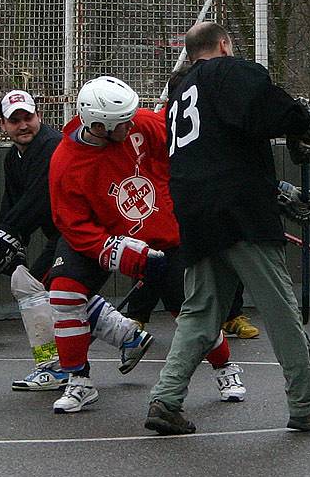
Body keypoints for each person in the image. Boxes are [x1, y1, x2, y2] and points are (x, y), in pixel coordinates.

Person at [144, 21, 310, 435]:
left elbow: (217, 144)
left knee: (198, 313)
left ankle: (166, 398)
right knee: (281, 309)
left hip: (194, 211)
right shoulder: (229, 71)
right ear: (224, 45)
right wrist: (300, 125)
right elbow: (270, 107)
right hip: (241, 212)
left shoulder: (178, 94)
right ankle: (305, 404)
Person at [48, 75, 244, 414]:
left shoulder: (137, 124)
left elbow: (182, 140)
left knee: (191, 311)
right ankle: (78, 381)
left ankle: (226, 368)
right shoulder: (65, 162)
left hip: (162, 233)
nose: (129, 127)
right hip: (99, 236)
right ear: (97, 125)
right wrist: (121, 254)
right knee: (64, 294)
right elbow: (73, 225)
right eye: (120, 124)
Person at [0, 90, 148, 392]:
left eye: (27, 117)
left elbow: (39, 200)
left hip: (84, 233)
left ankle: (55, 367)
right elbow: (13, 203)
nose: (23, 125)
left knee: (36, 288)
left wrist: (6, 236)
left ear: (38, 116)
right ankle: (127, 336)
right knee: (59, 293)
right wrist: (2, 239)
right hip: (66, 235)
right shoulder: (14, 157)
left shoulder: (52, 147)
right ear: (2, 125)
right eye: (14, 120)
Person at [126, 63, 260, 341]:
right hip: (164, 207)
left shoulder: (209, 126)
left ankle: (232, 315)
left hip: (201, 203)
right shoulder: (155, 125)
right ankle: (136, 316)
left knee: (223, 249)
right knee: (157, 260)